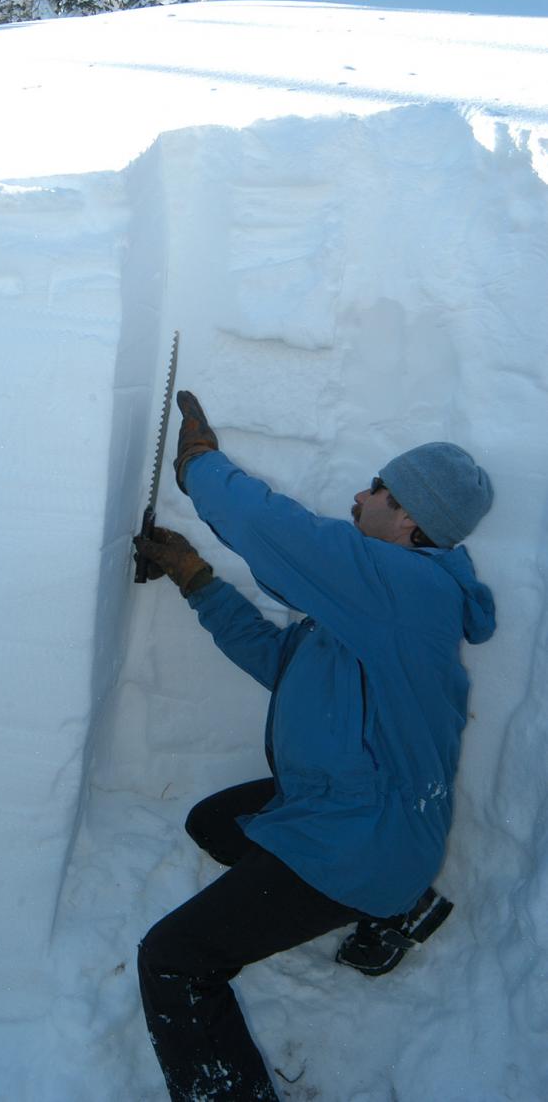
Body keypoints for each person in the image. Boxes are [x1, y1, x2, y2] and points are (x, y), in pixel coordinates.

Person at [134, 391, 495, 1102]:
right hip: (358, 811)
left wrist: (200, 468)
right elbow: (279, 661)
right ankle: (398, 905)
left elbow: (277, 532)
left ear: (411, 518)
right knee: (212, 822)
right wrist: (197, 582)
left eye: (378, 489)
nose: (360, 497)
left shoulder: (408, 589)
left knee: (174, 959)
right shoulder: (373, 603)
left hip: (364, 838)